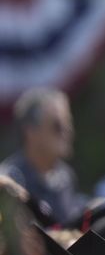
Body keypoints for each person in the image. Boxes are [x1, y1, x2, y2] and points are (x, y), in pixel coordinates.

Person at [0, 87, 85, 224]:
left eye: (68, 124)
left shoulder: (65, 176)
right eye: (58, 125)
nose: (67, 132)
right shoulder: (8, 181)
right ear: (30, 132)